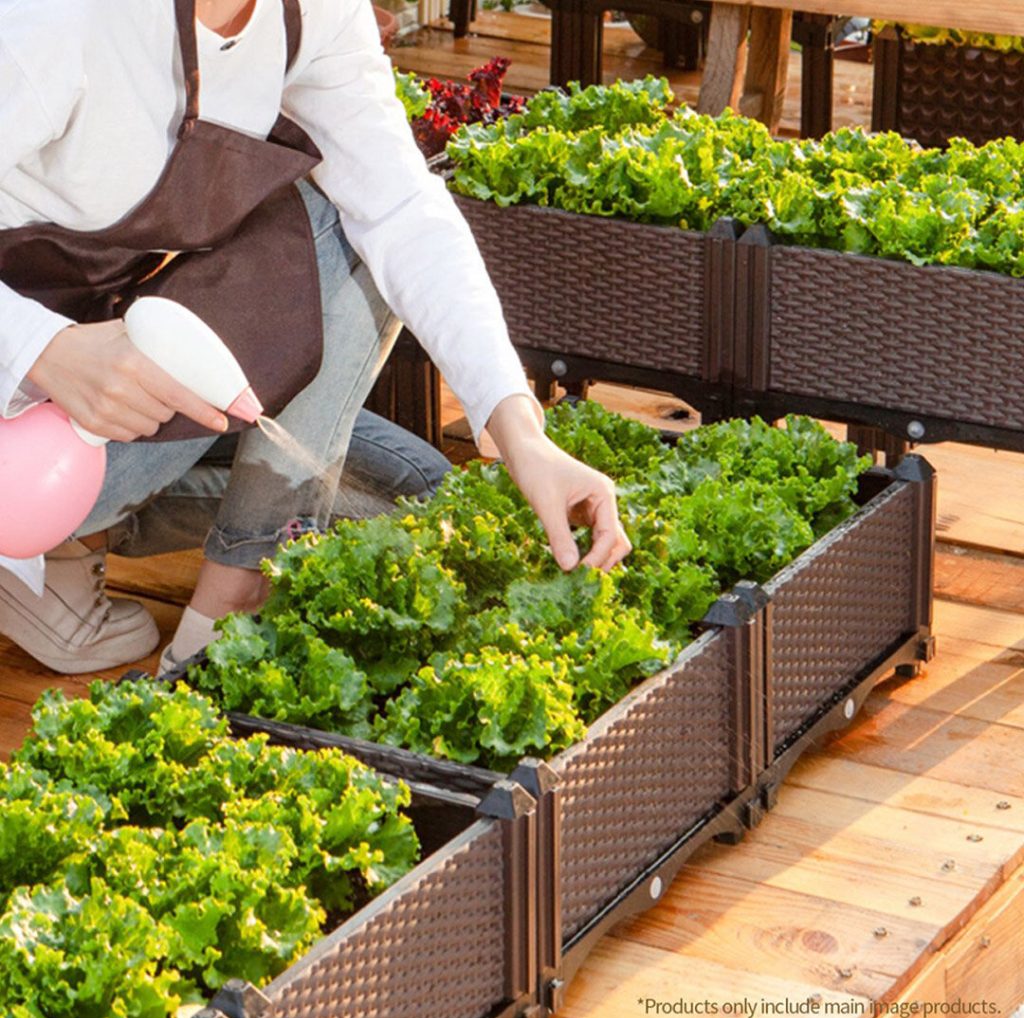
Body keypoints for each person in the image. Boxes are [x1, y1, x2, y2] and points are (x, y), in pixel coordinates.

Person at [0, 0, 631, 676]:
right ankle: (44, 546)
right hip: (25, 432)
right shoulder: (58, 18)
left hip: (113, 377)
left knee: (414, 492)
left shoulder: (318, 11)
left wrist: (521, 433)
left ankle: (143, 559)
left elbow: (400, 208)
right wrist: (43, 350)